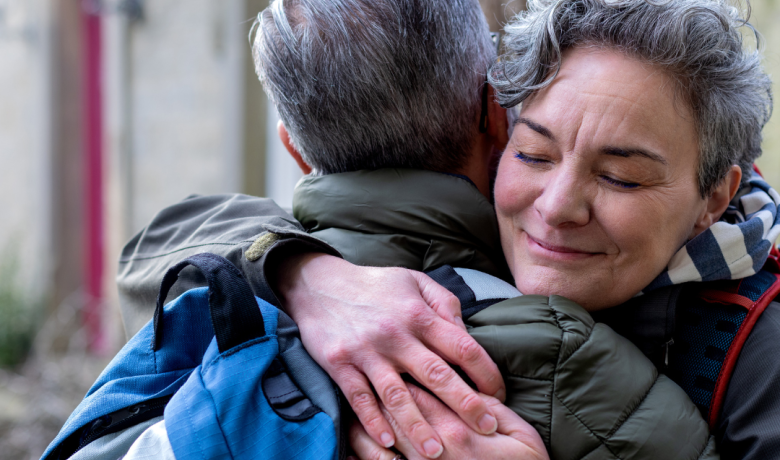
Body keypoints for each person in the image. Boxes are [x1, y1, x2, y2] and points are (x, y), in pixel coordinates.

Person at [117, 0, 777, 459]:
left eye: (623, 178)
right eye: (536, 154)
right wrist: (304, 272)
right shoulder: (417, 266)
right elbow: (174, 233)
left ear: (714, 196)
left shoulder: (760, 352)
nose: (556, 207)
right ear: (497, 126)